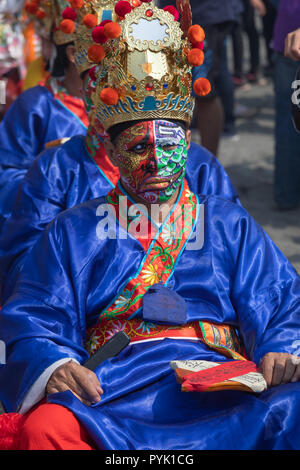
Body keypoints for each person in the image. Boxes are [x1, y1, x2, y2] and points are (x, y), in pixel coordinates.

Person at [0, 2, 299, 451]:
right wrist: (56, 362)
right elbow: (37, 314)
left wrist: (281, 346)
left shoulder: (227, 222)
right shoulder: (72, 230)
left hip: (219, 378)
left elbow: (280, 301)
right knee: (48, 429)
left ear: (191, 141)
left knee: (291, 406)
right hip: (113, 384)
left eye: (172, 143)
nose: (157, 161)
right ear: (115, 152)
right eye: (138, 146)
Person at [0, 2, 240, 305]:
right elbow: (29, 278)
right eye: (106, 84)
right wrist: (80, 249)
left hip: (201, 331)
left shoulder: (200, 165)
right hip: (98, 330)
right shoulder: (57, 168)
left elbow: (243, 262)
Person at [0, 0, 88, 228]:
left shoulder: (120, 106)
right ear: (73, 53)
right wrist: (52, 185)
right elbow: (6, 175)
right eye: (102, 46)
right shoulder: (35, 105)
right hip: (49, 228)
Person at [160, 0, 243, 154]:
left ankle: (207, 165)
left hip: (204, 17)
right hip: (170, 17)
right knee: (171, 91)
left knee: (204, 91)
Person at [272, 0, 300, 210]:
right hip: (290, 43)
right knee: (289, 123)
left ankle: (286, 194)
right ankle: (286, 193)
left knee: (288, 124)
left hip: (289, 32)